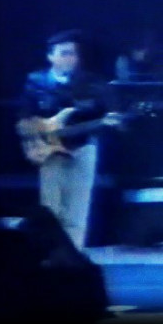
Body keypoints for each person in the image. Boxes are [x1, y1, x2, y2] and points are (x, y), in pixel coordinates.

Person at [17, 29, 110, 250]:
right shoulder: (36, 81)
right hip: (50, 149)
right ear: (51, 56)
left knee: (78, 210)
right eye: (65, 53)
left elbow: (103, 113)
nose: (71, 58)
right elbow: (23, 119)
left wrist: (110, 121)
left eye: (74, 53)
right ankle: (50, 254)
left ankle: (73, 256)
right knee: (52, 208)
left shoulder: (92, 82)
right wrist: (38, 135)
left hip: (83, 147)